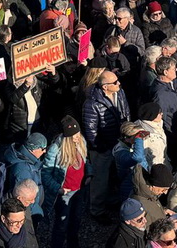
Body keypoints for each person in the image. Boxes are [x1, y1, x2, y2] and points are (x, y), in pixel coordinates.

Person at [81, 69, 131, 221]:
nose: (119, 83)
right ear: (105, 87)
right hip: (103, 147)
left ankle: (111, 200)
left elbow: (126, 111)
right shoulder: (91, 103)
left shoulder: (119, 93)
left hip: (119, 142)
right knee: (100, 180)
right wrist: (100, 147)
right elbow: (90, 130)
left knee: (114, 175)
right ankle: (97, 210)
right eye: (115, 82)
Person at [42, 115, 87, 248]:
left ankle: (73, 244)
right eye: (73, 136)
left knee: (76, 220)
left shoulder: (81, 142)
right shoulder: (56, 150)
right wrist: (58, 188)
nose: (77, 137)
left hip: (79, 190)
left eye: (78, 133)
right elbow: (45, 174)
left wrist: (89, 173)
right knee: (62, 224)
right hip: (65, 192)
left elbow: (86, 161)